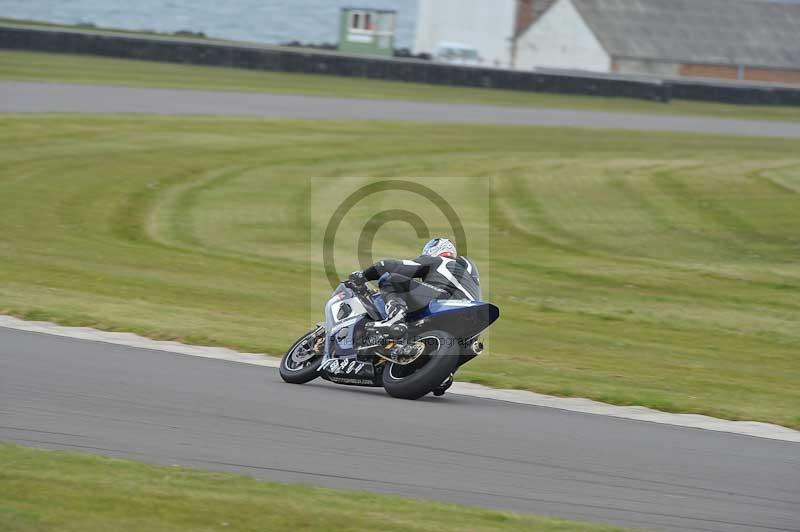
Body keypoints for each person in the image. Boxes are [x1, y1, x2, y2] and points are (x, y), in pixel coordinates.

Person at [350, 237, 481, 337]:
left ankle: (395, 318)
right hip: (473, 320)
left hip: (447, 301)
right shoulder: (466, 272)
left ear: (433, 250)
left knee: (391, 279)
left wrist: (363, 276)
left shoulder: (438, 261)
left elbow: (390, 265)